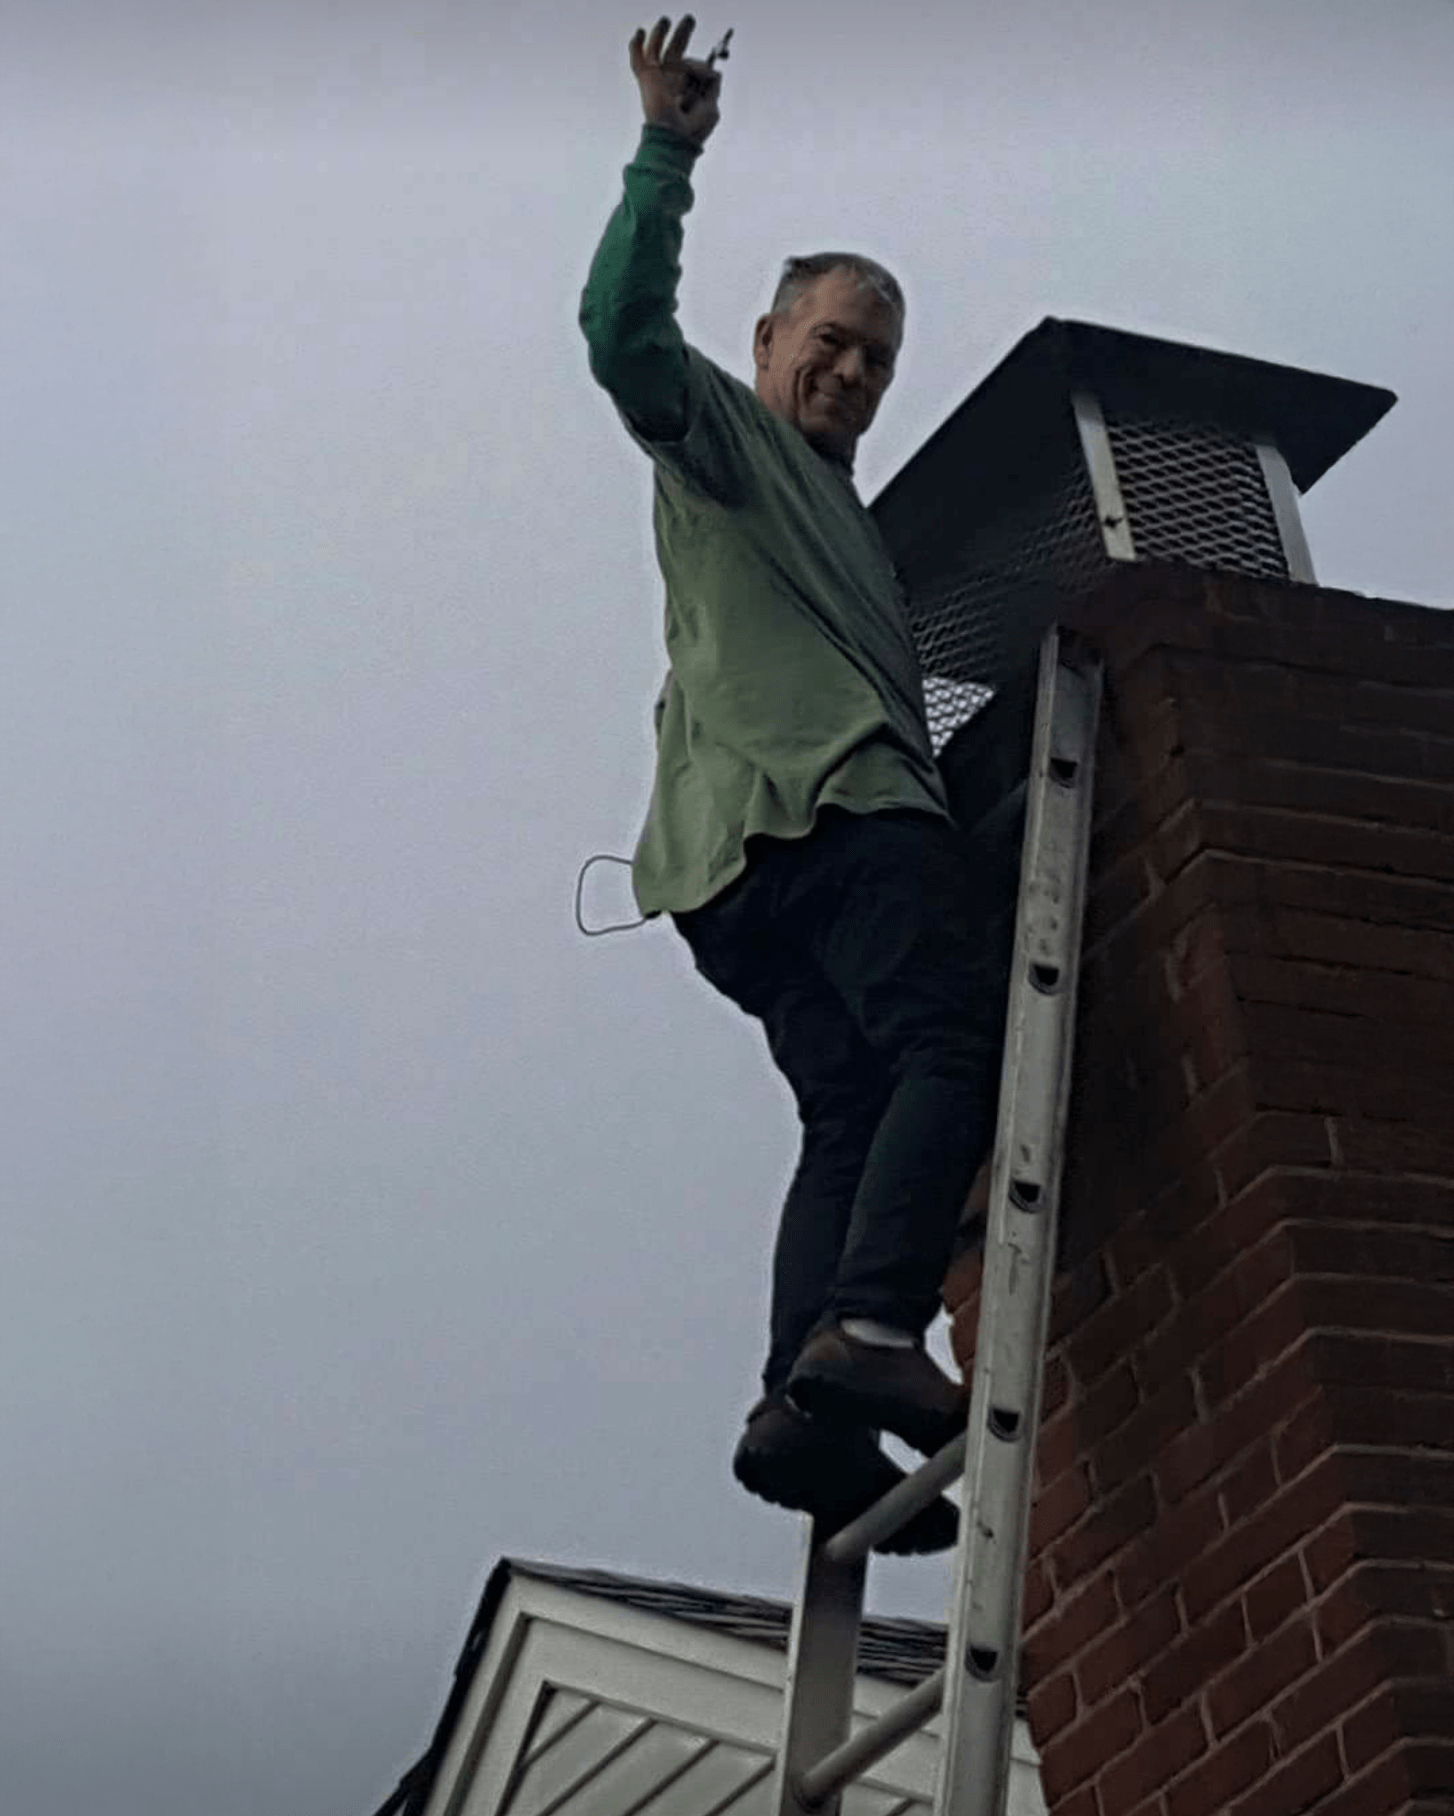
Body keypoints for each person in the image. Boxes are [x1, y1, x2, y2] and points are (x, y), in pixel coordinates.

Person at [579, 17, 1002, 1553]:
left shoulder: (851, 529)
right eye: (825, 337)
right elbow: (621, 338)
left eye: (874, 356)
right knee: (950, 1041)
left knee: (845, 1110)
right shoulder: (727, 448)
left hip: (727, 874)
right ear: (765, 345)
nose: (846, 368)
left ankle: (798, 1407)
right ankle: (879, 1327)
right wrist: (664, 152)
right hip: (825, 809)